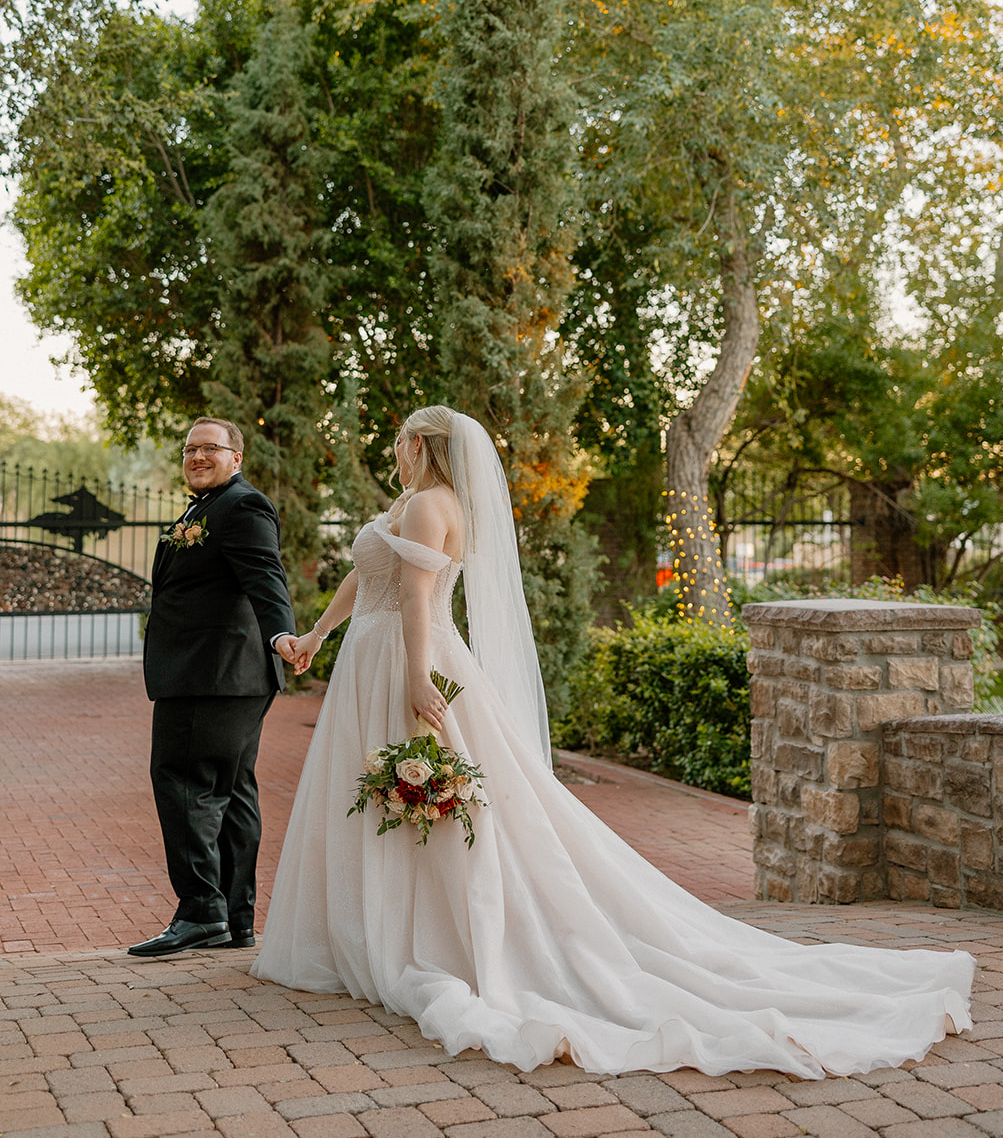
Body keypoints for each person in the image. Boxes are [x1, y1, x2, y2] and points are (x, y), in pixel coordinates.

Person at [251, 405, 975, 1078]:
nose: (394, 455)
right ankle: (378, 929)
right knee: (393, 795)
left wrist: (415, 680)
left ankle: (425, 936)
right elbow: (366, 575)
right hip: (371, 659)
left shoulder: (431, 505)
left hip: (409, 659)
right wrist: (317, 635)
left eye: (399, 444)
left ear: (419, 445)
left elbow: (414, 597)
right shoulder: (410, 506)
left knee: (433, 794)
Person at [128, 416, 297, 959]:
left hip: (215, 674)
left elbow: (265, 576)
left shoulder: (241, 506)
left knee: (184, 782)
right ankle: (234, 918)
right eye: (190, 449)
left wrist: (281, 634)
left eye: (210, 449)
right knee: (231, 791)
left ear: (236, 457)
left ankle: (202, 910)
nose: (198, 457)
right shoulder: (203, 508)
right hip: (221, 675)